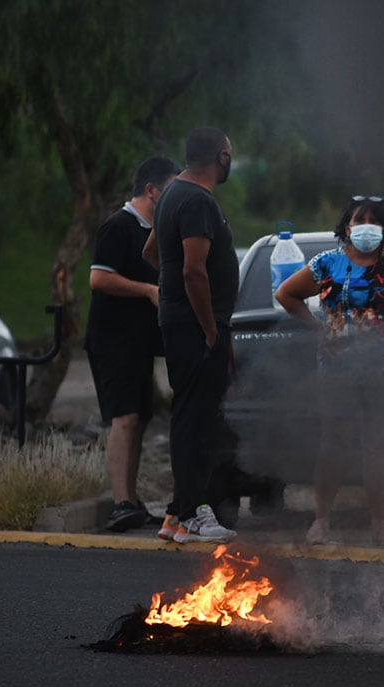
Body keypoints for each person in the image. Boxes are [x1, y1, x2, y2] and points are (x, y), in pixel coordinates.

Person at [275, 196, 384, 547]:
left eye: (374, 220)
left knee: (378, 445)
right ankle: (321, 522)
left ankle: (379, 524)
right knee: (333, 444)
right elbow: (286, 294)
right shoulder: (327, 264)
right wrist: (318, 328)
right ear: (346, 227)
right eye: (360, 220)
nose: (367, 226)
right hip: (337, 369)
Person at [142, 127, 239, 543]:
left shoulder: (170, 197)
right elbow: (192, 270)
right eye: (229, 154)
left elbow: (151, 252)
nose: (230, 161)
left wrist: (172, 300)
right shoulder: (197, 200)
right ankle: (194, 512)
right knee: (197, 420)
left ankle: (174, 516)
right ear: (220, 156)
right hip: (197, 328)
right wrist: (209, 328)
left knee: (187, 415)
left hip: (179, 322)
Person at [86, 155, 180, 531]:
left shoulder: (154, 230)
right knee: (124, 419)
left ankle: (133, 500)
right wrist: (147, 290)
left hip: (138, 344)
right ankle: (120, 502)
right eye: (170, 189)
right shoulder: (118, 226)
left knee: (139, 419)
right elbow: (98, 279)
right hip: (113, 342)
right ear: (151, 190)